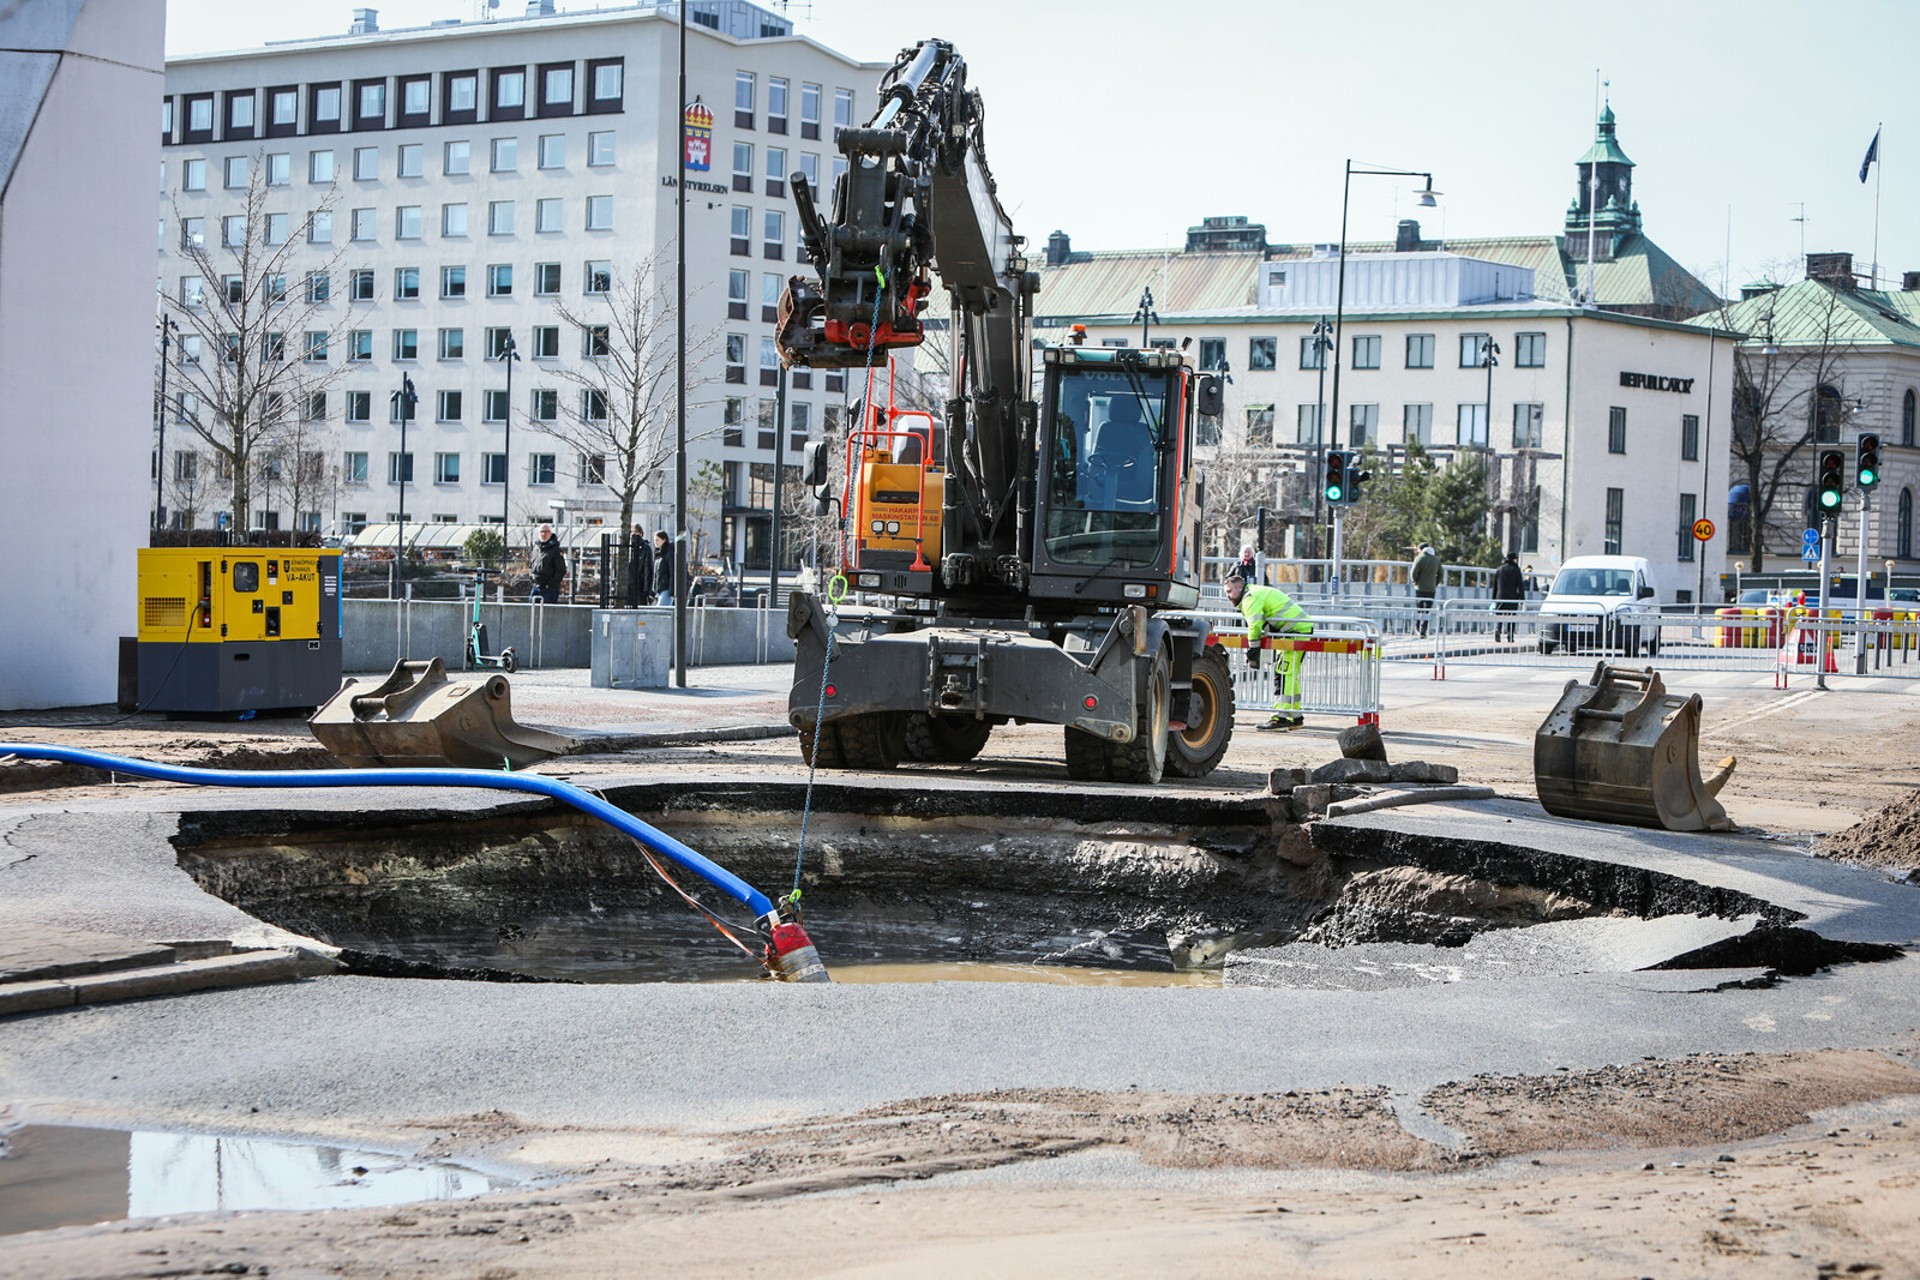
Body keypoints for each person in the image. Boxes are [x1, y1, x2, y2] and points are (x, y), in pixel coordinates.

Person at [1225, 573, 1313, 730]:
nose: (1228, 596)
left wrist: (1253, 649)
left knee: (1285, 673)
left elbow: (1255, 624)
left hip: (1295, 633)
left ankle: (1282, 718)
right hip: (1293, 632)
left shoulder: (1250, 597)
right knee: (1288, 672)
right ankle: (1295, 716)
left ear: (1239, 587)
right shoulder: (1253, 593)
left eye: (1229, 591)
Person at [1492, 551, 1525, 642]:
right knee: (1511, 617)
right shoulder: (1516, 570)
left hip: (1500, 597)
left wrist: (1493, 598)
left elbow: (1495, 586)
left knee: (1500, 615)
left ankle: (1498, 629)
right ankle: (1510, 635)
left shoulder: (1499, 569)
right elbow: (1520, 586)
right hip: (1512, 598)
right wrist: (1522, 599)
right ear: (1514, 559)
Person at [530, 524, 566, 604]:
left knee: (547, 613)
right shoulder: (536, 548)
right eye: (541, 532)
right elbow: (531, 564)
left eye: (546, 532)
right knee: (532, 613)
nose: (544, 534)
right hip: (535, 587)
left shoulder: (556, 550)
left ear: (550, 533)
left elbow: (561, 570)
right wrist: (531, 577)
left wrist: (551, 583)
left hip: (549, 589)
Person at [1410, 543, 1441, 637]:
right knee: (1427, 610)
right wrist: (1435, 583)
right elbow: (1441, 574)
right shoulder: (1436, 560)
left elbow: (1413, 573)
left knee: (1419, 609)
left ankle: (1417, 627)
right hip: (1431, 589)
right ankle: (1424, 630)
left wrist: (1415, 582)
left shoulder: (1419, 558)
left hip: (1420, 588)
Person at [625, 525, 653, 607]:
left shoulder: (645, 548)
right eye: (631, 532)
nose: (632, 535)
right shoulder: (628, 548)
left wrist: (646, 590)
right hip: (629, 586)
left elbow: (648, 569)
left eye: (635, 532)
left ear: (640, 533)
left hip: (639, 586)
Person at [652, 530, 675, 608]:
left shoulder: (669, 552)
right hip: (659, 589)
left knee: (661, 611)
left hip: (666, 588)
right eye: (654, 540)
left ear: (664, 540)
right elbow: (655, 574)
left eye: (657, 540)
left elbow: (672, 571)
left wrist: (672, 590)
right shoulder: (658, 554)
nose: (655, 542)